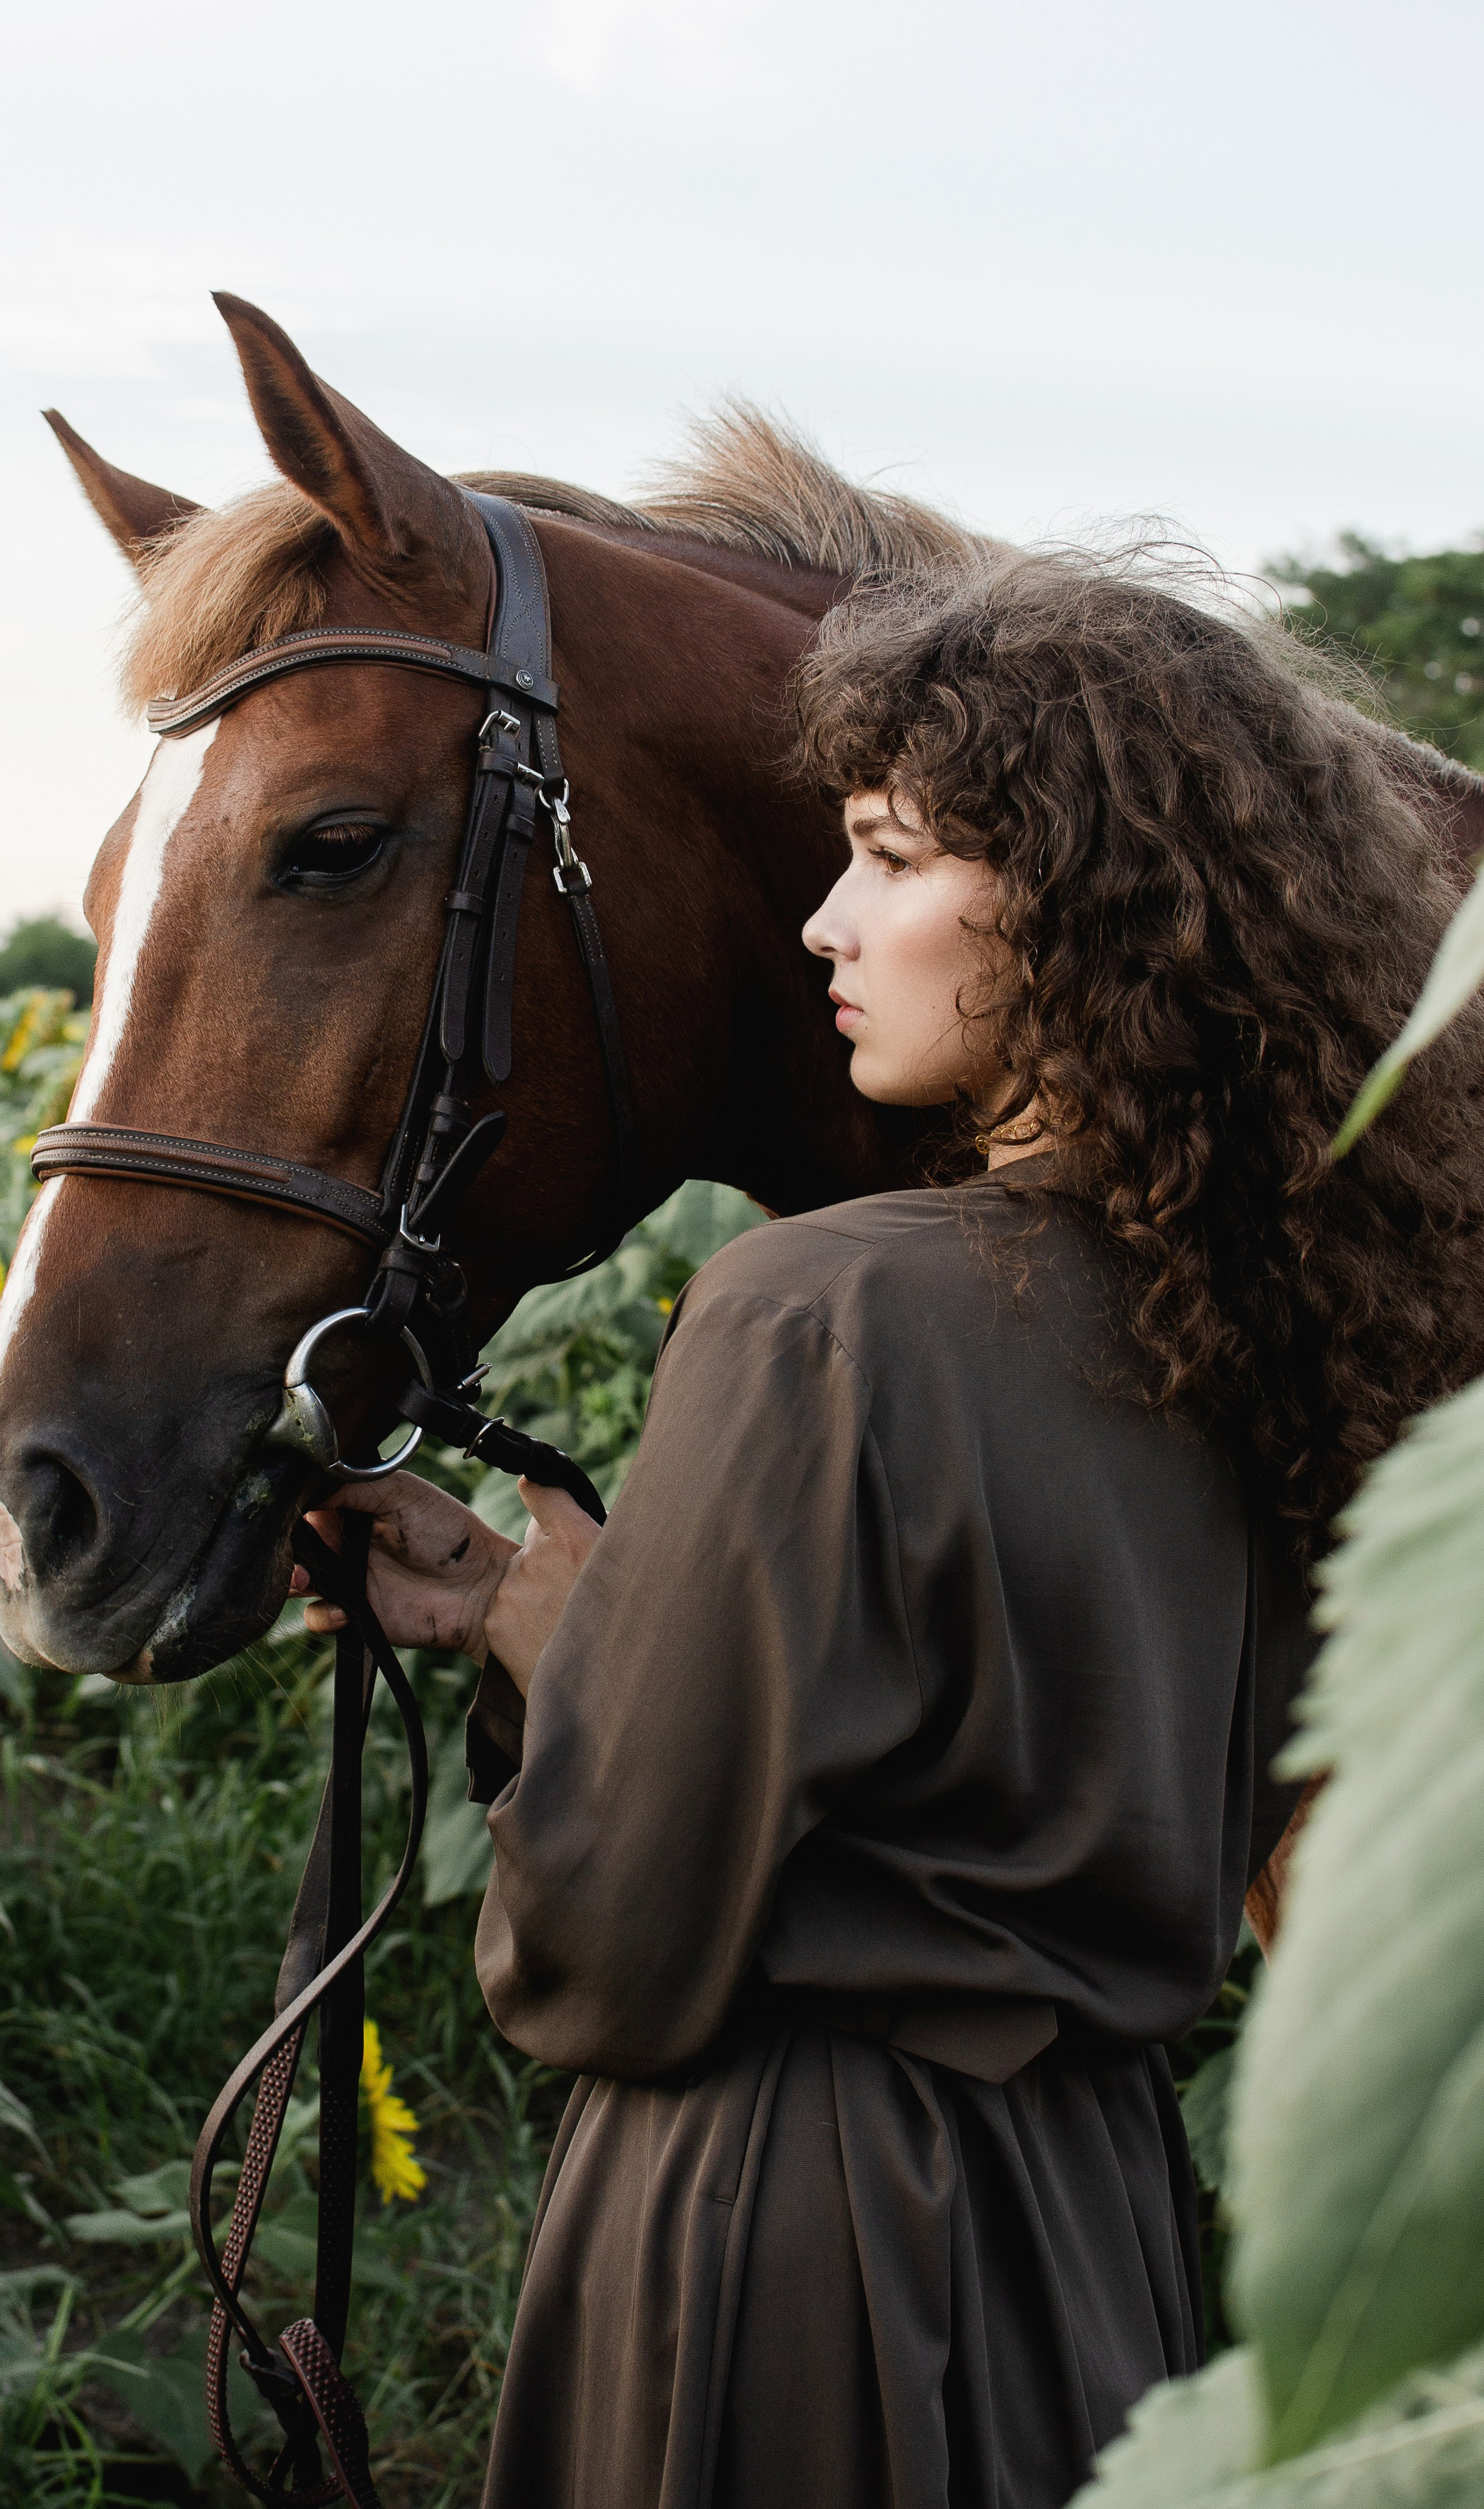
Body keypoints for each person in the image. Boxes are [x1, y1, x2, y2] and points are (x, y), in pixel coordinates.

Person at [297, 552, 1484, 2508]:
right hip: (1099, 2240)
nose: (826, 918)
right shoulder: (1307, 1323)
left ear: (1092, 905)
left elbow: (605, 1943)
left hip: (788, 2244)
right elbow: (1029, 1775)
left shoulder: (815, 1308)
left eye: (892, 856)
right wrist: (531, 1609)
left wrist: (586, 1666)